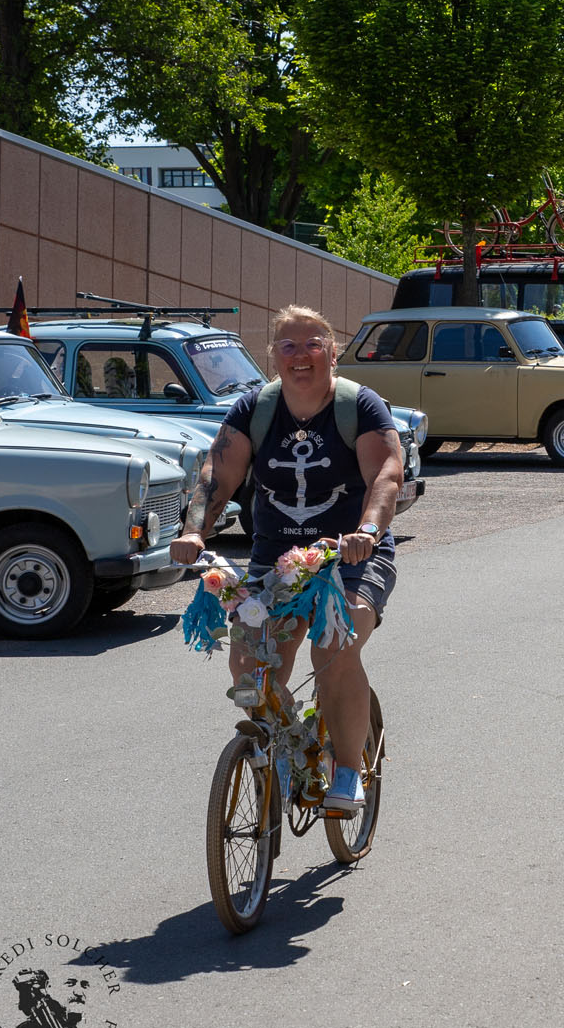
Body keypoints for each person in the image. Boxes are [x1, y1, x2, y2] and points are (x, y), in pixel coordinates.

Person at [170, 304, 404, 812]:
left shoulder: (360, 407)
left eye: (313, 344)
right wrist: (194, 532)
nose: (301, 356)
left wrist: (367, 529)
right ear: (272, 355)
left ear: (332, 352)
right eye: (289, 346)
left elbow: (386, 473)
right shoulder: (254, 410)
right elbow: (218, 474)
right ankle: (286, 746)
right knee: (250, 659)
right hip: (276, 555)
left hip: (350, 554)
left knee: (332, 646)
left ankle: (347, 772)